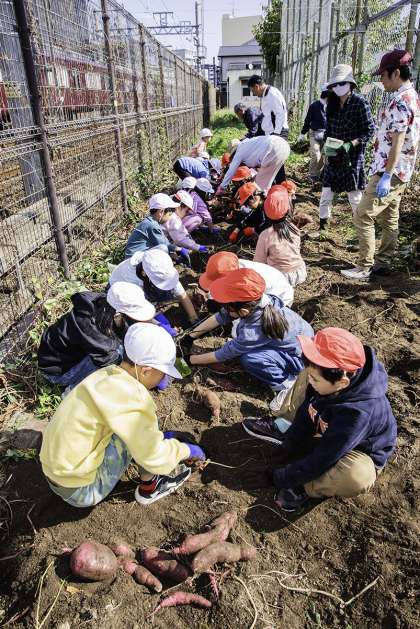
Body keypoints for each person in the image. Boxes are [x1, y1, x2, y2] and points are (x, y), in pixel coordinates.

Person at [40, 323, 206, 507]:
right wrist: (186, 451)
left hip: (54, 471)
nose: (165, 378)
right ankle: (150, 488)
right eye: (163, 373)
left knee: (137, 432)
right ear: (145, 371)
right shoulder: (135, 399)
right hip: (81, 490)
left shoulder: (105, 374)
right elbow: (154, 457)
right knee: (140, 438)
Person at [242, 328, 397, 512]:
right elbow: (306, 412)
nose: (310, 381)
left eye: (315, 380)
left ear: (342, 382)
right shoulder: (325, 376)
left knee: (355, 476)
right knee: (311, 374)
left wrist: (278, 478)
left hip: (355, 452)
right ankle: (284, 426)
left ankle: (306, 487)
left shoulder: (358, 414)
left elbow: (326, 457)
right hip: (331, 430)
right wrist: (289, 447)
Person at [341, 50, 420, 281]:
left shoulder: (401, 102)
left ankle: (364, 266)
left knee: (362, 214)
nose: (381, 80)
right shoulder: (413, 96)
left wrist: (386, 175)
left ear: (396, 73)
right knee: (389, 217)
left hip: (389, 170)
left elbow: (397, 142)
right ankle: (383, 263)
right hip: (402, 170)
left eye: (383, 75)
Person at [187, 269, 313, 411]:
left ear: (243, 311)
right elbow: (222, 316)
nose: (223, 308)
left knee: (250, 359)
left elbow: (225, 353)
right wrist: (191, 335)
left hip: (302, 359)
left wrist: (191, 360)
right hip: (299, 344)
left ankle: (287, 385)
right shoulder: (259, 302)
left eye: (226, 306)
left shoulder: (254, 330)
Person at [37, 282, 155, 393]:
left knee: (119, 349)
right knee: (107, 363)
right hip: (57, 372)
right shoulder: (91, 329)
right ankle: (73, 392)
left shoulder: (103, 305)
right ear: (118, 316)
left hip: (66, 354)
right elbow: (109, 359)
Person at [318, 64, 375, 230]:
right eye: (335, 84)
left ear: (350, 84)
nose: (338, 87)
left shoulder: (360, 103)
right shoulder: (332, 104)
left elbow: (370, 129)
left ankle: (360, 228)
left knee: (355, 197)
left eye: (342, 83)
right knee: (326, 193)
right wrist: (326, 149)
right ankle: (323, 226)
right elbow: (328, 130)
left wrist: (353, 143)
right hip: (334, 155)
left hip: (352, 158)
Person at [110, 248, 198, 324]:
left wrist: (193, 317)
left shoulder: (159, 262)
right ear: (144, 274)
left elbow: (182, 294)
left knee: (164, 294)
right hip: (121, 292)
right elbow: (142, 311)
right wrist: (160, 325)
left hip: (145, 280)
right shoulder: (131, 282)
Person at [199, 251, 294, 307]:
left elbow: (251, 308)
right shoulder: (231, 265)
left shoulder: (247, 281)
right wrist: (208, 296)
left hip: (278, 300)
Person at [254, 188, 307, 287]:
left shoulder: (265, 235)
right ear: (287, 210)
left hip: (281, 277)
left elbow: (258, 262)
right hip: (300, 272)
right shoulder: (294, 228)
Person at [125, 193, 190, 263]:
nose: (170, 217)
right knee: (163, 248)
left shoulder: (151, 222)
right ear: (161, 212)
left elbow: (165, 241)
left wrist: (176, 256)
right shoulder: (151, 225)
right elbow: (164, 245)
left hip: (137, 257)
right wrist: (180, 250)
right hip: (133, 261)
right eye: (170, 213)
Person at [248, 75, 289, 184]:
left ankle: (281, 185)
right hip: (271, 133)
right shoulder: (265, 95)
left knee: (277, 160)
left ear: (257, 86)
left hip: (278, 132)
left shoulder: (272, 94)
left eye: (253, 91)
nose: (254, 94)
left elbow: (280, 114)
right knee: (272, 160)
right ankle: (276, 184)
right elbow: (267, 116)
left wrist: (276, 134)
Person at [216, 135, 290, 194]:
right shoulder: (249, 143)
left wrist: (222, 187)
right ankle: (282, 195)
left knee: (259, 187)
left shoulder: (239, 151)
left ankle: (266, 205)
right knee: (271, 180)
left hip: (272, 148)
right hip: (284, 145)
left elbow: (231, 171)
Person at [298, 85, 329, 183]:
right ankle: (312, 175)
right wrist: (302, 133)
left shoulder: (332, 106)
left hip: (327, 135)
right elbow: (308, 120)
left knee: (324, 156)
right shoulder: (314, 106)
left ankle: (318, 176)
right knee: (316, 154)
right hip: (314, 133)